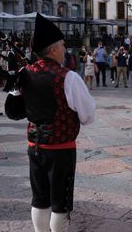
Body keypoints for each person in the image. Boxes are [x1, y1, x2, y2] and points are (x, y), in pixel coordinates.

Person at [24, 13, 95, 232]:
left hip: (34, 146)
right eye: (63, 45)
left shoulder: (24, 73)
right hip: (60, 149)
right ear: (53, 50)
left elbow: (14, 107)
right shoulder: (69, 77)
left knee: (40, 198)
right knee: (59, 202)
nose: (65, 49)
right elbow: (88, 116)